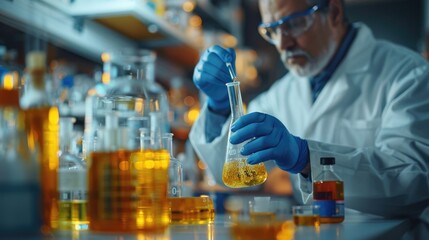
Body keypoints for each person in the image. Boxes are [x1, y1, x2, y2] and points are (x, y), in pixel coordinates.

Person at [189, 0, 429, 223]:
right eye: (272, 31)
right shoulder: (280, 95)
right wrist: (220, 106)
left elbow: (414, 183)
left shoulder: (408, 75)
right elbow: (233, 174)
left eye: (293, 24)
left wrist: (306, 158)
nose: (283, 44)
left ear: (334, 13)